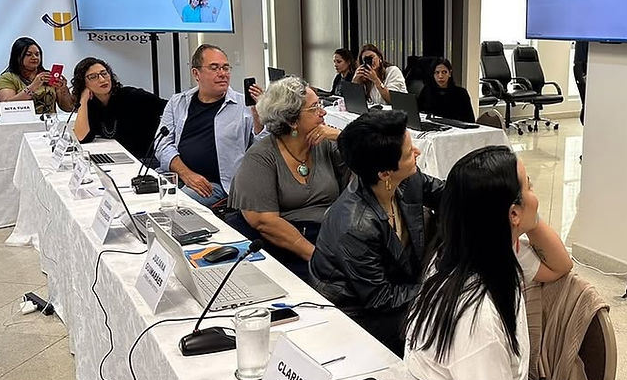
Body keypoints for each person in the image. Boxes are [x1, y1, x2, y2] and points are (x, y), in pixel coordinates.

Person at [404, 147, 627, 380]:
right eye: (529, 185)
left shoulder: (479, 251)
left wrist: (526, 221)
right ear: (511, 213)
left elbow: (559, 266)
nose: (536, 192)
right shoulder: (476, 317)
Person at [307, 110, 443, 355]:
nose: (418, 153)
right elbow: (380, 298)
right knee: (449, 321)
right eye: (409, 152)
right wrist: (439, 290)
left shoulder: (405, 179)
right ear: (384, 173)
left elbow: (446, 194)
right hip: (358, 314)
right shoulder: (354, 225)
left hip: (396, 287)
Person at [228, 78, 348, 280]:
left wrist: (341, 136)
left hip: (332, 235)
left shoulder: (325, 144)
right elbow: (265, 222)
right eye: (314, 108)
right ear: (292, 121)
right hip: (288, 245)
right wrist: (317, 257)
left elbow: (371, 158)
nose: (323, 112)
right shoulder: (261, 156)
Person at [156, 44, 264, 207]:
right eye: (214, 68)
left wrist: (259, 116)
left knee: (175, 204)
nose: (222, 74)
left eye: (226, 68)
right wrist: (187, 175)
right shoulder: (178, 102)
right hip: (177, 176)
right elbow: (161, 145)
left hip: (215, 185)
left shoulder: (246, 106)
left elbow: (262, 151)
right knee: (137, 198)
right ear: (196, 73)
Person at [71, 57, 166, 159]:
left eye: (104, 73)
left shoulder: (134, 96)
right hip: (119, 158)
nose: (102, 79)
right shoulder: (93, 105)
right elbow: (82, 137)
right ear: (83, 83)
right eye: (93, 77)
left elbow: (171, 108)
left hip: (148, 160)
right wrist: (83, 99)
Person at [0, 37, 75, 115]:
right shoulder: (7, 78)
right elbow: (6, 106)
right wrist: (34, 85)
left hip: (49, 124)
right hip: (20, 125)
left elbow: (69, 108)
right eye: (29, 54)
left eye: (37, 54)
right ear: (17, 57)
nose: (35, 57)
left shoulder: (48, 76)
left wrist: (63, 90)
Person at [417, 58, 474, 122]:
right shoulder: (427, 91)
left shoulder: (461, 93)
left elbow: (470, 120)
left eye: (444, 72)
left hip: (456, 129)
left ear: (449, 73)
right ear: (433, 74)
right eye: (437, 72)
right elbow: (417, 112)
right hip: (433, 127)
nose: (440, 76)